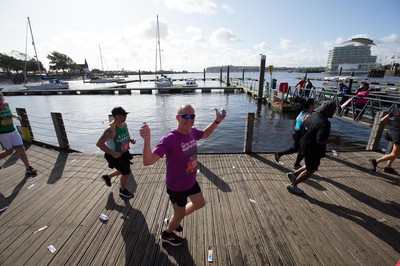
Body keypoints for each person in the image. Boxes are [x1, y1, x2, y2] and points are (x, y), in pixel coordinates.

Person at [139, 104, 226, 246]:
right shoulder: (170, 139)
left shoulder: (192, 132)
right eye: (186, 116)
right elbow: (148, 161)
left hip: (190, 181)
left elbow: (205, 133)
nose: (189, 119)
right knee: (179, 214)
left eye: (192, 116)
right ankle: (167, 234)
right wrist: (147, 140)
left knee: (200, 203)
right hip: (177, 186)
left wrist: (217, 121)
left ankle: (173, 219)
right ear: (177, 118)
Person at [286, 101, 340, 194]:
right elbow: (320, 140)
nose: (334, 112)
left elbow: (302, 127)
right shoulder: (325, 123)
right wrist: (334, 141)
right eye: (334, 110)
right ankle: (293, 185)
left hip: (303, 145)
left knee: (309, 164)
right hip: (313, 150)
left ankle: (293, 175)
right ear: (329, 110)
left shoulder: (312, 116)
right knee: (311, 169)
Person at [96, 106, 136, 198]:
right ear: (116, 116)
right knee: (126, 172)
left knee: (124, 170)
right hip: (114, 155)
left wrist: (131, 140)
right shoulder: (110, 129)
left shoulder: (124, 125)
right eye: (123, 115)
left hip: (124, 153)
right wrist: (113, 153)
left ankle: (107, 177)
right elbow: (99, 144)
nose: (125, 116)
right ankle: (122, 190)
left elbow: (126, 135)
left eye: (126, 114)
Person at [0, 92, 37, 174]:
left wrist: (15, 116)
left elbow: (10, 113)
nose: (1, 99)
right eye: (0, 98)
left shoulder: (6, 104)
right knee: (9, 152)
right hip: (3, 134)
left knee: (21, 149)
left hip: (13, 131)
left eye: (2, 97)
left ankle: (28, 168)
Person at [275, 98, 316, 169]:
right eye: (314, 104)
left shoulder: (303, 112)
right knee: (303, 149)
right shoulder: (308, 115)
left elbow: (297, 119)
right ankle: (294, 163)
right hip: (299, 133)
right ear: (311, 105)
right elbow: (308, 125)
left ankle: (282, 155)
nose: (315, 105)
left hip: (295, 131)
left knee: (298, 148)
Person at [369, 108, 400, 174]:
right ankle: (376, 161)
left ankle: (388, 167)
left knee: (393, 153)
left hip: (390, 132)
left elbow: (383, 119)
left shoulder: (396, 110)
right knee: (395, 154)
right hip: (398, 135)